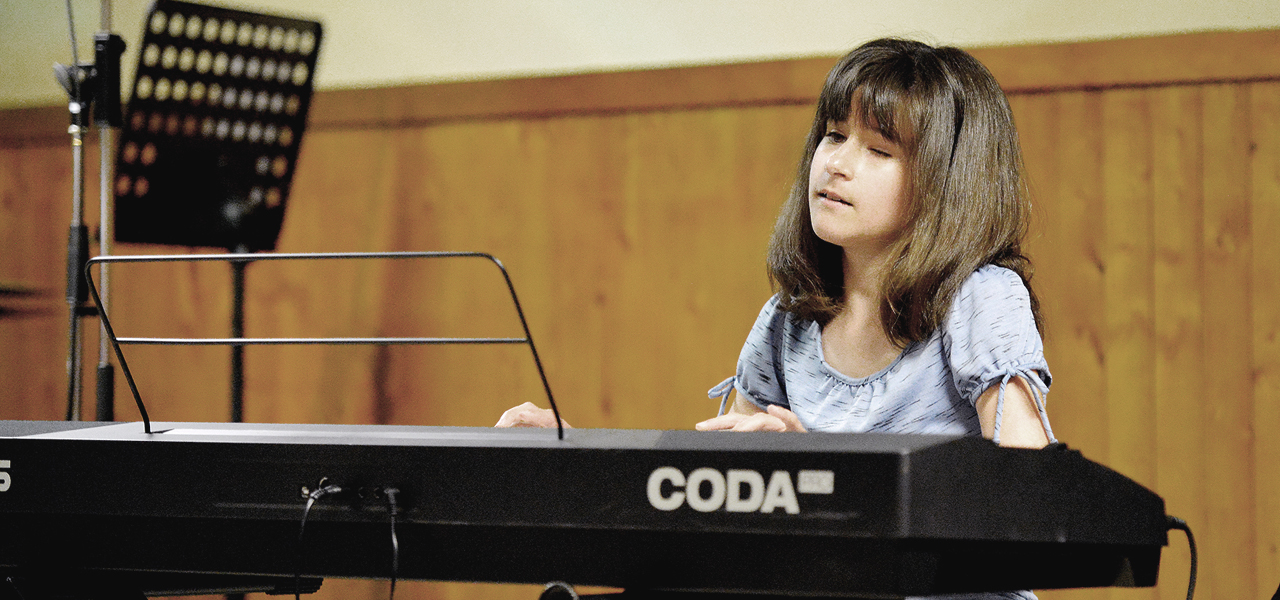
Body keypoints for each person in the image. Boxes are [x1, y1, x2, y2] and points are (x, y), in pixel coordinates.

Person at [497, 37, 1054, 599]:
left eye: (879, 150)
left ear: (947, 182)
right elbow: (707, 502)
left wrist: (816, 471)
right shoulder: (786, 320)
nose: (836, 163)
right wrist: (572, 463)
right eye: (834, 135)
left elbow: (1025, 494)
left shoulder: (981, 298)